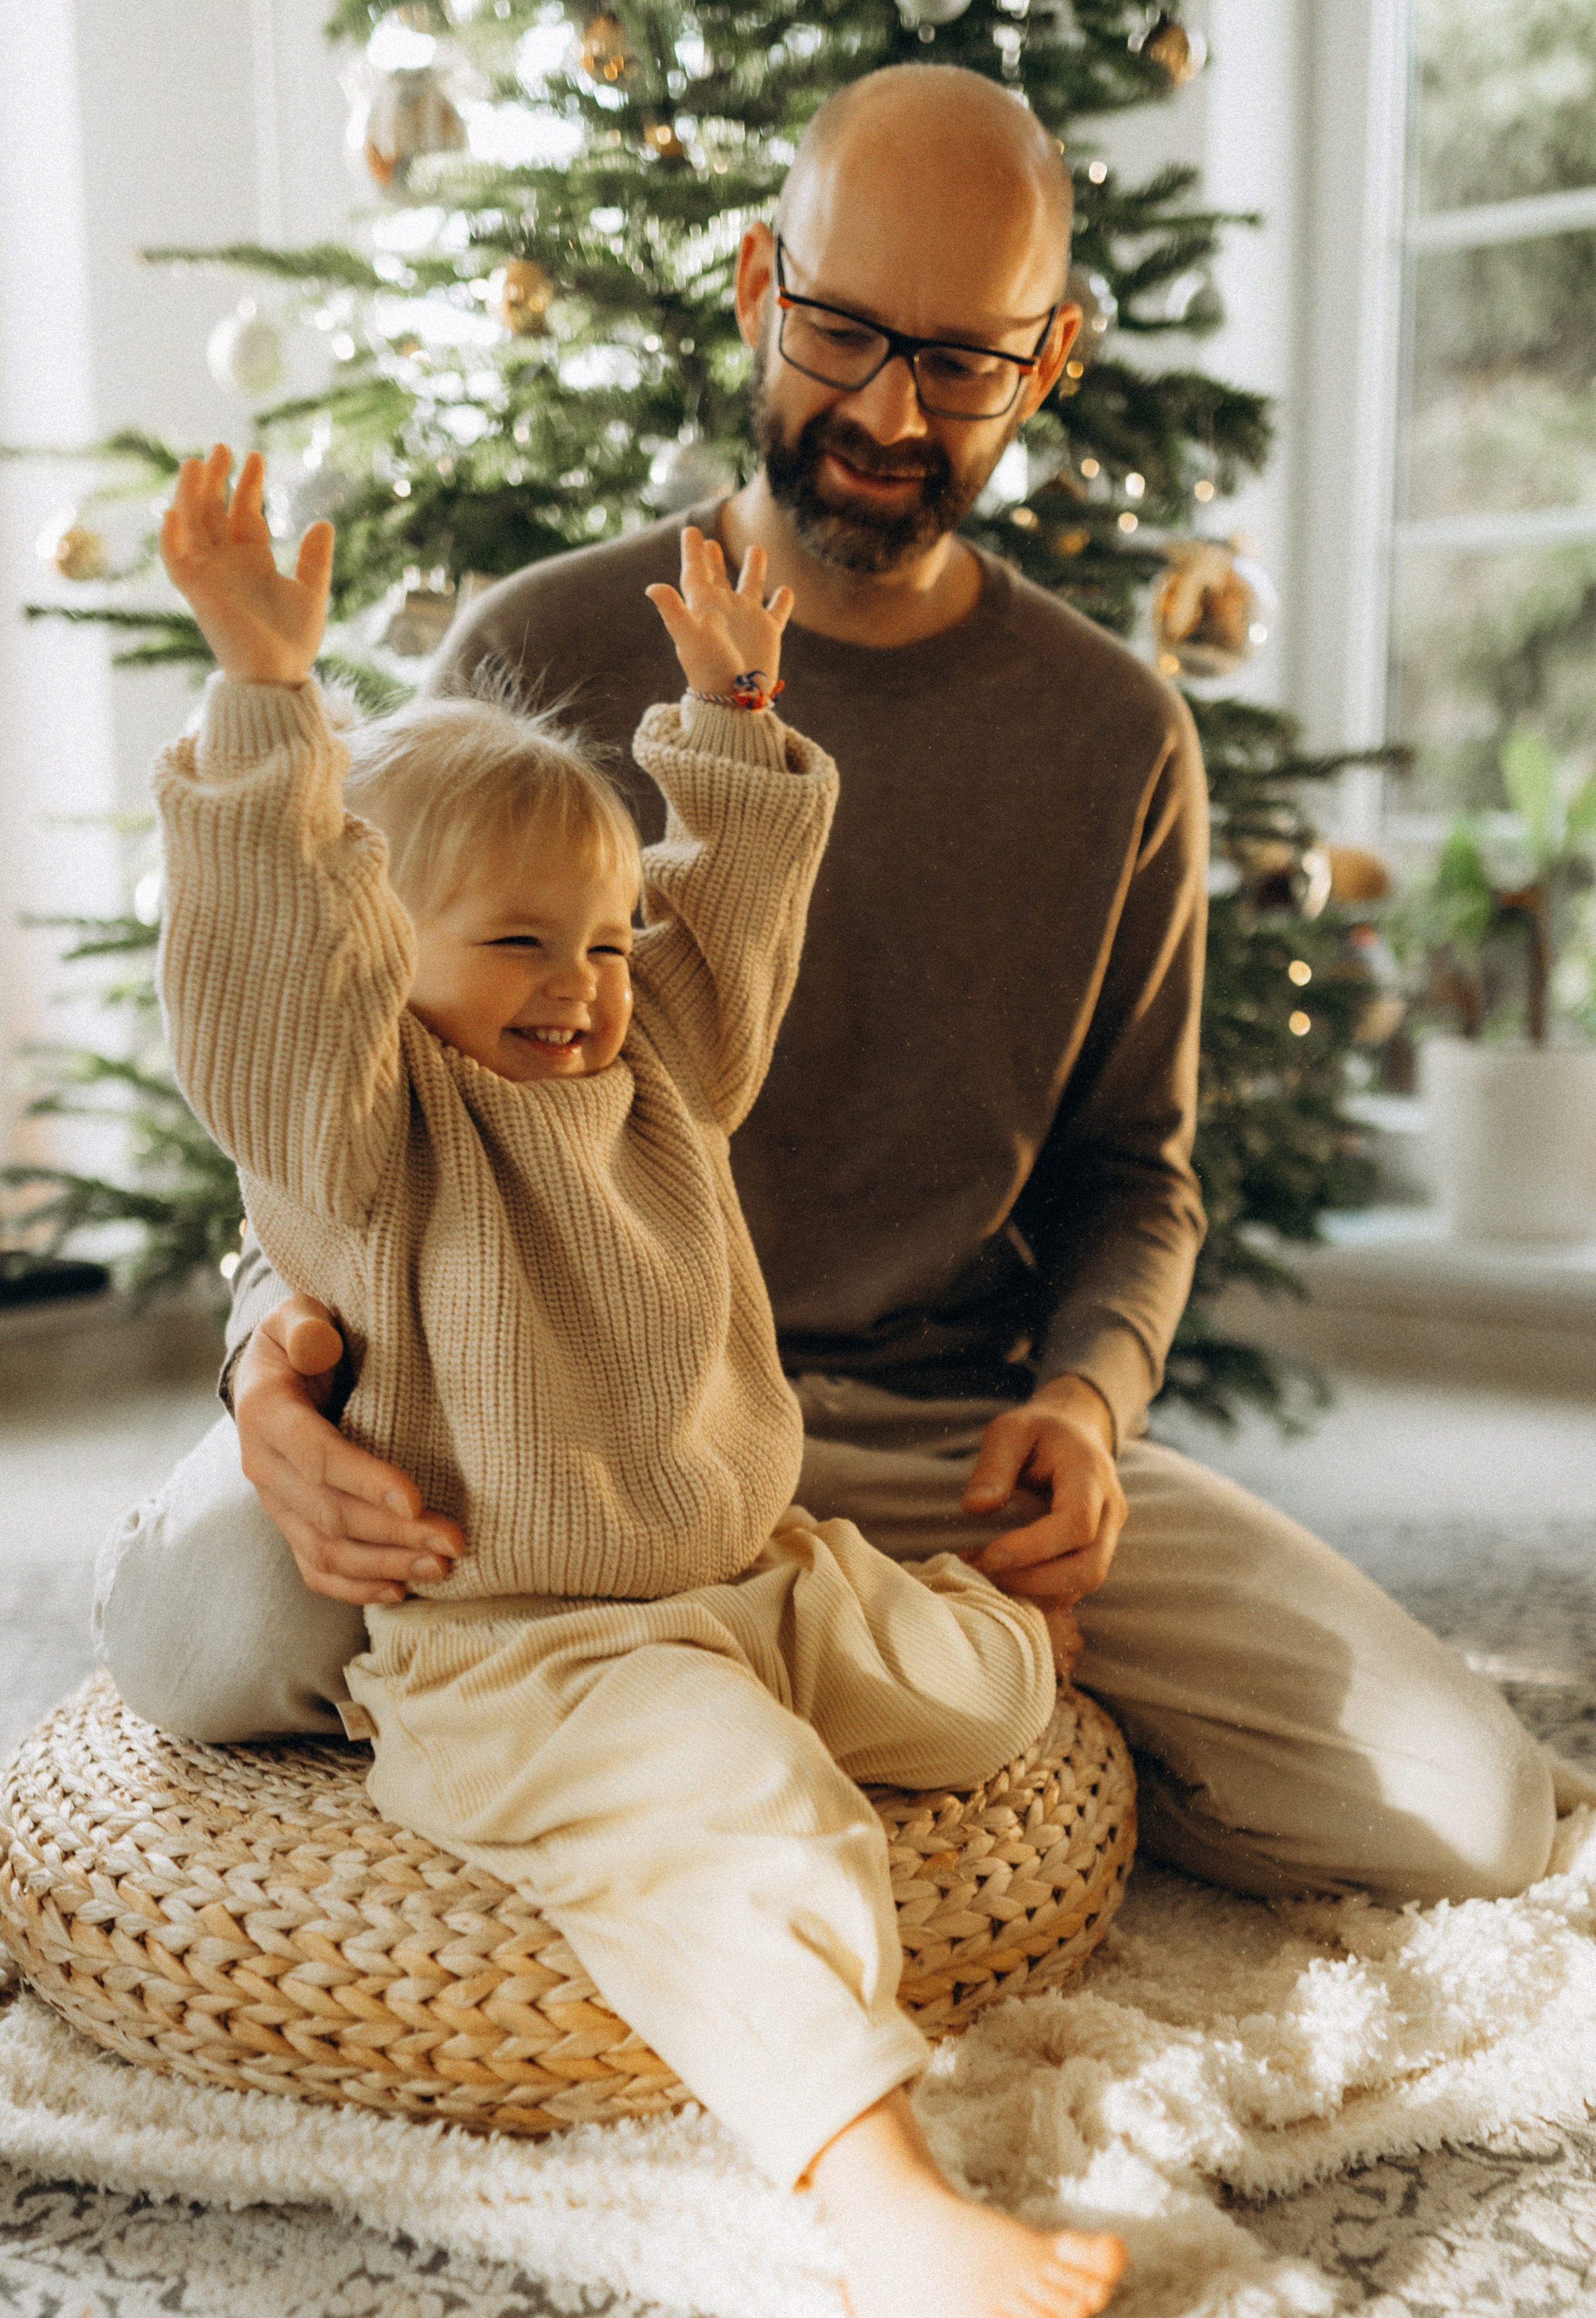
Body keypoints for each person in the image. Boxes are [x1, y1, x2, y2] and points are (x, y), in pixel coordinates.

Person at [100, 67, 1555, 1919]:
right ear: (751, 286)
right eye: (843, 329)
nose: (884, 410)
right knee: (209, 1622)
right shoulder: (531, 651)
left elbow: (1139, 1172)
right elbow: (322, 1093)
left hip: (928, 1448)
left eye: (960, 361)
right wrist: (269, 1376)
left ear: (1051, 363)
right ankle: (694, 1694)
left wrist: (1092, 1411)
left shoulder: (1119, 735)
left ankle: (788, 1682)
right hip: (510, 1423)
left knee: (1469, 1813)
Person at [147, 441, 1125, 2318]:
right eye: (516, 942)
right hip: (535, 1656)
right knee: (754, 1816)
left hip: (741, 1567)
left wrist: (739, 721)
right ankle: (884, 2191)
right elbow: (271, 980)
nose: (581, 987)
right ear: (384, 969)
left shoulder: (648, 1062)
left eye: (596, 942)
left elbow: (720, 926)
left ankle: (1017, 1644)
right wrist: (270, 697)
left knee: (976, 1682)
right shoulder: (370, 1127)